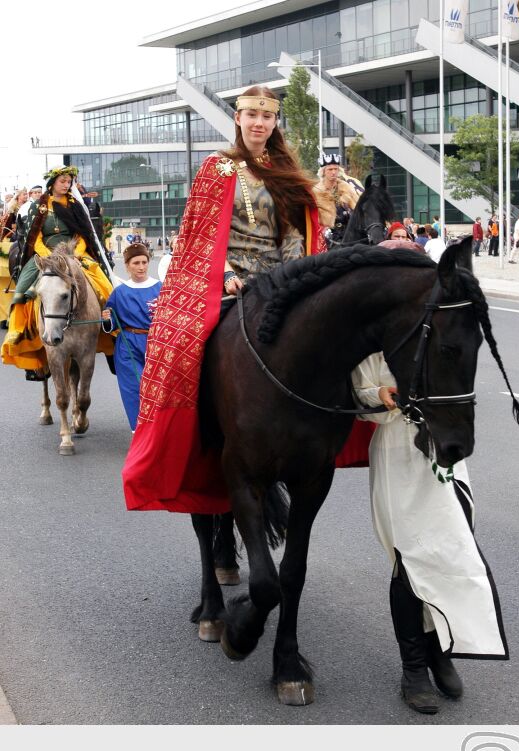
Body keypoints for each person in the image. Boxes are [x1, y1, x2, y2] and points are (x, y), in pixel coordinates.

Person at [122, 84, 372, 514]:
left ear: (275, 122)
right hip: (227, 283)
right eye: (251, 115)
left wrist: (298, 278)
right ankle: (194, 434)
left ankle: (354, 412)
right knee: (183, 345)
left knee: (339, 336)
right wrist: (226, 275)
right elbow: (198, 236)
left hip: (280, 283)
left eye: (267, 117)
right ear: (238, 119)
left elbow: (296, 233)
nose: (259, 123)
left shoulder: (285, 170)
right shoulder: (217, 168)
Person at [352, 295, 507, 713]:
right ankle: (414, 668)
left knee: (450, 549)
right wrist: (380, 394)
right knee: (410, 557)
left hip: (442, 453)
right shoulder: (371, 342)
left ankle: (440, 648)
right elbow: (361, 396)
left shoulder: (438, 332)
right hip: (397, 452)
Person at [1, 165, 113, 380]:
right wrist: (47, 256)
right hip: (45, 255)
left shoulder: (75, 206)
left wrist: (77, 254)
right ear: (52, 184)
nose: (66, 185)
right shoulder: (39, 207)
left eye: (69, 181)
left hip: (73, 253)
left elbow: (82, 235)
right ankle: (20, 333)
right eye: (62, 181)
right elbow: (36, 237)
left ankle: (111, 325)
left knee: (103, 281)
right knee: (24, 289)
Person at [102, 244, 161, 431]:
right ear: (127, 266)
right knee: (134, 389)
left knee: (157, 390)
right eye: (136, 263)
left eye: (144, 262)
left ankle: (158, 431)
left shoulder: (160, 288)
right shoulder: (119, 292)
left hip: (156, 344)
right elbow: (110, 325)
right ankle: (139, 432)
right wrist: (107, 319)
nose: (141, 266)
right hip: (128, 345)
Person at [313, 153, 359, 247]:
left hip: (349, 233)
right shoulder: (316, 192)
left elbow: (358, 209)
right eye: (330, 169)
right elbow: (313, 218)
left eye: (336, 169)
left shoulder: (347, 188)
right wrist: (323, 230)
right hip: (327, 237)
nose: (333, 172)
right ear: (323, 172)